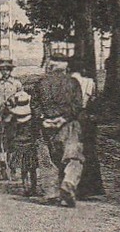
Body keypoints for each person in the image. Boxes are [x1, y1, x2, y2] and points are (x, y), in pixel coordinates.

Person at [33, 56, 84, 207]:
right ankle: (68, 184)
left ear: (51, 67)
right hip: (68, 125)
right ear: (65, 67)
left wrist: (43, 119)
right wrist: (63, 118)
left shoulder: (41, 82)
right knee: (73, 156)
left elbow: (34, 104)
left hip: (46, 126)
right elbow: (77, 105)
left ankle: (51, 193)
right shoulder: (73, 82)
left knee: (47, 159)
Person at [71, 59, 105, 199]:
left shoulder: (69, 82)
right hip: (87, 118)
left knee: (73, 150)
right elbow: (95, 102)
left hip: (73, 117)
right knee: (89, 150)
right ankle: (91, 187)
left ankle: (74, 185)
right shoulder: (90, 82)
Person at [0, 57, 25, 177]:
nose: (5, 72)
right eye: (3, 70)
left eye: (7, 69)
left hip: (13, 116)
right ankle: (3, 167)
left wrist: (14, 104)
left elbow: (23, 98)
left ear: (11, 70)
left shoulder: (16, 83)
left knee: (12, 142)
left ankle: (12, 168)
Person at [5, 90, 41, 197]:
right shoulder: (33, 120)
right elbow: (36, 133)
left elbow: (10, 134)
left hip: (20, 145)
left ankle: (26, 186)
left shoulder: (14, 120)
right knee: (32, 168)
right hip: (30, 144)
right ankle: (33, 187)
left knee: (24, 168)